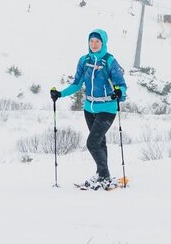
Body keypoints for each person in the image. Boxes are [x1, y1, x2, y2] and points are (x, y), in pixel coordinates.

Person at [50, 29, 128, 190]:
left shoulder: (110, 60)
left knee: (92, 143)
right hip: (89, 109)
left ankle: (104, 176)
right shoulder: (84, 60)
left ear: (103, 43)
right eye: (91, 41)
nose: (94, 44)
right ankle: (101, 174)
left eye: (97, 41)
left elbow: (121, 84)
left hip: (107, 108)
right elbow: (77, 84)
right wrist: (60, 94)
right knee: (100, 143)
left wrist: (120, 92)